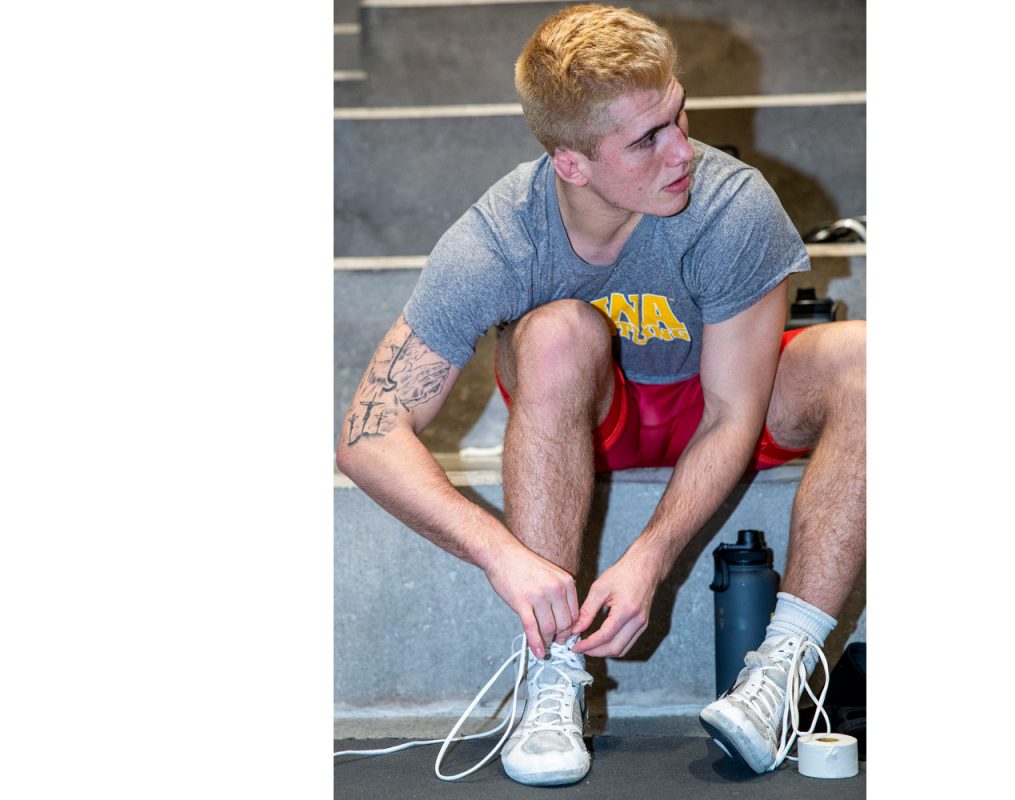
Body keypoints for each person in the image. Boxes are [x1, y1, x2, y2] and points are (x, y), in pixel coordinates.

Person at [336, 3, 865, 786]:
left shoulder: (733, 204)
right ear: (572, 163)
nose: (683, 151)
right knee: (550, 333)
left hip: (725, 403)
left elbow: (731, 416)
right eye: (646, 139)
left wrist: (648, 560)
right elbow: (366, 435)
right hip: (593, 413)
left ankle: (782, 674)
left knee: (866, 358)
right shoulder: (501, 236)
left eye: (678, 114)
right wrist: (500, 555)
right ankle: (549, 667)